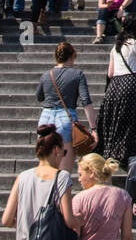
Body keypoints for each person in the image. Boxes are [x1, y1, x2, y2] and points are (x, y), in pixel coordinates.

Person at [96, 14, 136, 166]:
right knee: (132, 121)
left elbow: (110, 73)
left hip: (114, 86)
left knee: (116, 120)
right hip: (131, 84)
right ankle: (128, 152)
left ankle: (112, 152)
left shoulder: (116, 45)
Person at [36, 42, 97, 175]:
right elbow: (85, 101)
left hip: (45, 118)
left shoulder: (46, 75)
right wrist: (93, 129)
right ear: (72, 56)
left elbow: (39, 96)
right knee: (64, 174)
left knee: (45, 168)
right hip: (65, 118)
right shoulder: (77, 75)